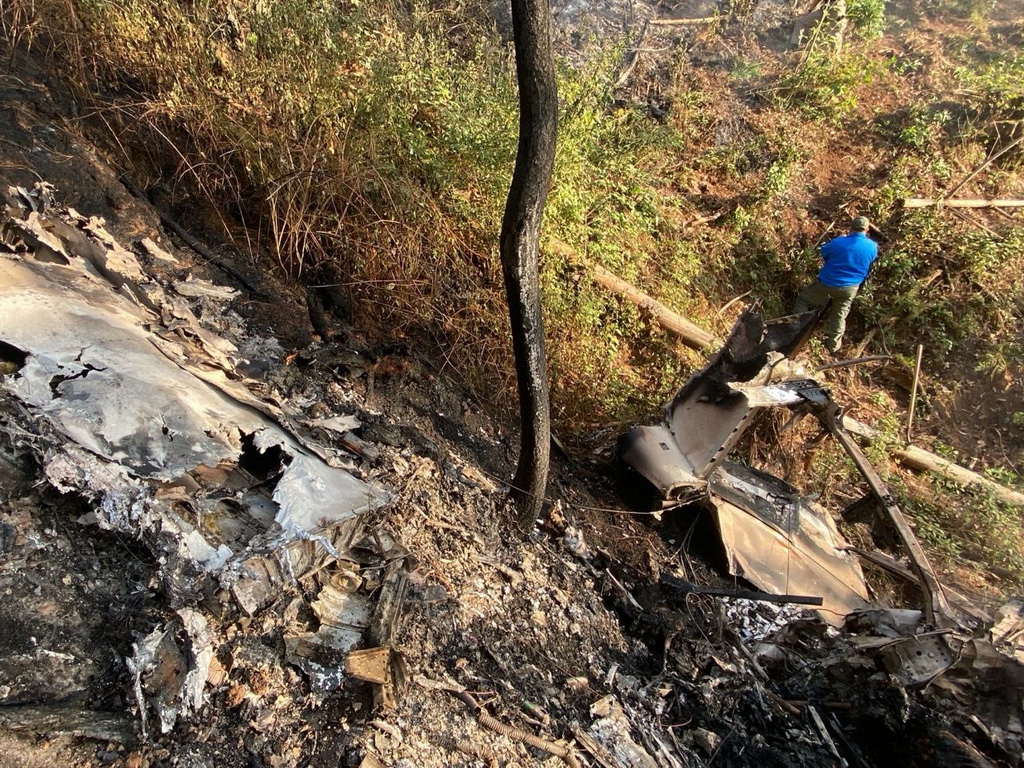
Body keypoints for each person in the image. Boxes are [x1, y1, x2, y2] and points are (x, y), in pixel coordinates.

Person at [794, 215, 879, 354]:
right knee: (839, 315)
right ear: (867, 229)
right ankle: (833, 346)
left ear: (851, 228)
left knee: (803, 300)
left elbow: (823, 252)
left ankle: (796, 329)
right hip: (850, 288)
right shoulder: (872, 247)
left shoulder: (838, 242)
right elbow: (871, 259)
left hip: (827, 282)